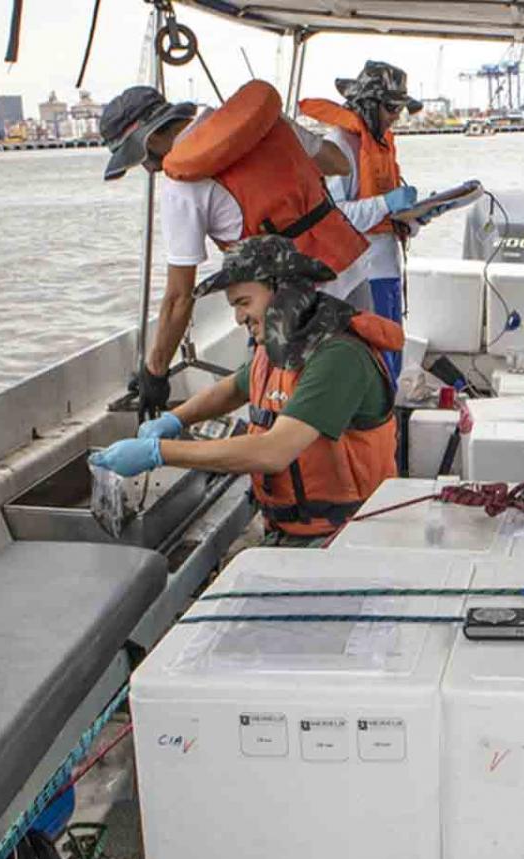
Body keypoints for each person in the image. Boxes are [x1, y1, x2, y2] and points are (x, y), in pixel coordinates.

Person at [90, 235, 401, 547]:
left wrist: (158, 454)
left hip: (351, 536)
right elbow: (234, 388)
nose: (238, 318)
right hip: (295, 529)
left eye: (244, 303)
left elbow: (272, 452)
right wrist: (173, 420)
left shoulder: (338, 357)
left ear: (284, 294)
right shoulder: (283, 345)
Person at [101, 80, 370, 419]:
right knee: (357, 398)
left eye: (139, 159)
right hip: (351, 267)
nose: (148, 169)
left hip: (295, 308)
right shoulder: (268, 123)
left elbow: (179, 298)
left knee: (286, 417)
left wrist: (154, 372)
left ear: (151, 139)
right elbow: (338, 163)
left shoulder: (182, 186)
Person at [300, 60, 428, 383]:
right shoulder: (341, 145)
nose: (396, 116)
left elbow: (380, 210)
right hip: (363, 276)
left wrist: (411, 219)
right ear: (368, 105)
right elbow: (335, 215)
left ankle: (387, 429)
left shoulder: (379, 144)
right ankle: (375, 430)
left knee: (391, 358)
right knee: (374, 365)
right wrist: (387, 202)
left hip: (386, 270)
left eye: (399, 109)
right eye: (390, 108)